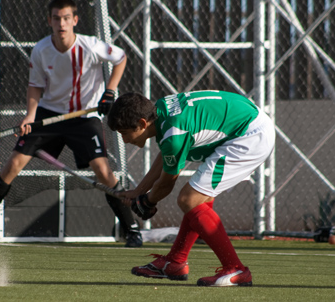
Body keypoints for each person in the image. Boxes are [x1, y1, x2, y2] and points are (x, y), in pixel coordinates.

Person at [0, 0, 143, 248]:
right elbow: (35, 86)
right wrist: (29, 115)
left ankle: (131, 229)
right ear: (49, 21)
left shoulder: (90, 46)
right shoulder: (40, 49)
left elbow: (121, 58)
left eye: (67, 18)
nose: (61, 23)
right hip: (48, 116)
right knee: (13, 164)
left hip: (84, 118)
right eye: (57, 18)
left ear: (75, 20)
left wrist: (110, 92)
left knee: (103, 171)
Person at [107, 90, 276, 286]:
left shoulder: (174, 132)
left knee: (189, 199)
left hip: (249, 136)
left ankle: (236, 269)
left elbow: (166, 182)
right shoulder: (161, 110)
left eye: (125, 133)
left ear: (143, 123)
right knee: (199, 199)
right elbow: (167, 155)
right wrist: (138, 192)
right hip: (245, 123)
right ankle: (175, 262)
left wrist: (148, 202)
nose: (125, 140)